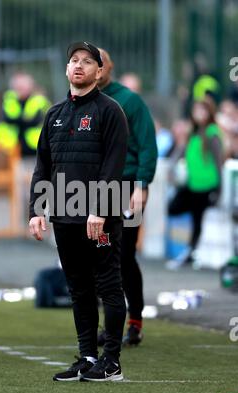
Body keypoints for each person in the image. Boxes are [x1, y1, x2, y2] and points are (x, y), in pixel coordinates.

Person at [29, 41, 128, 382]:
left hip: (99, 218)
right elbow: (43, 165)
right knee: (78, 287)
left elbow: (114, 165)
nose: (80, 65)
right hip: (64, 216)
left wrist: (99, 209)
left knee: (109, 285)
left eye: (88, 61)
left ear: (99, 72)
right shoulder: (54, 115)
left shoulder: (110, 110)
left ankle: (111, 360)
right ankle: (87, 356)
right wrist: (36, 209)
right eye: (74, 60)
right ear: (66, 69)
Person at [97, 49, 157, 346]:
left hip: (127, 185)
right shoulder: (80, 101)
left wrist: (142, 185)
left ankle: (134, 321)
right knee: (99, 256)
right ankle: (109, 324)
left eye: (99, 61)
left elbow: (147, 145)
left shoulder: (130, 101)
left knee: (125, 255)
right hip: (95, 189)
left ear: (109, 66)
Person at [166, 100, 223, 270]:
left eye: (202, 111)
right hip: (191, 185)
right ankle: (191, 250)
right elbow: (181, 151)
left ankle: (192, 252)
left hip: (206, 185)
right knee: (173, 208)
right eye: (196, 110)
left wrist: (219, 190)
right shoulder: (193, 133)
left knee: (198, 220)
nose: (198, 114)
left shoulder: (212, 133)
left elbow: (219, 162)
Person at [0, 72, 51, 230]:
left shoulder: (39, 101)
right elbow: (8, 120)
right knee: (22, 194)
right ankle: (24, 227)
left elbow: (34, 120)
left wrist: (20, 121)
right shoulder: (9, 101)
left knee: (40, 190)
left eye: (23, 85)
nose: (20, 88)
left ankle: (44, 224)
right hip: (17, 155)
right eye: (17, 85)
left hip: (38, 154)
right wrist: (23, 121)